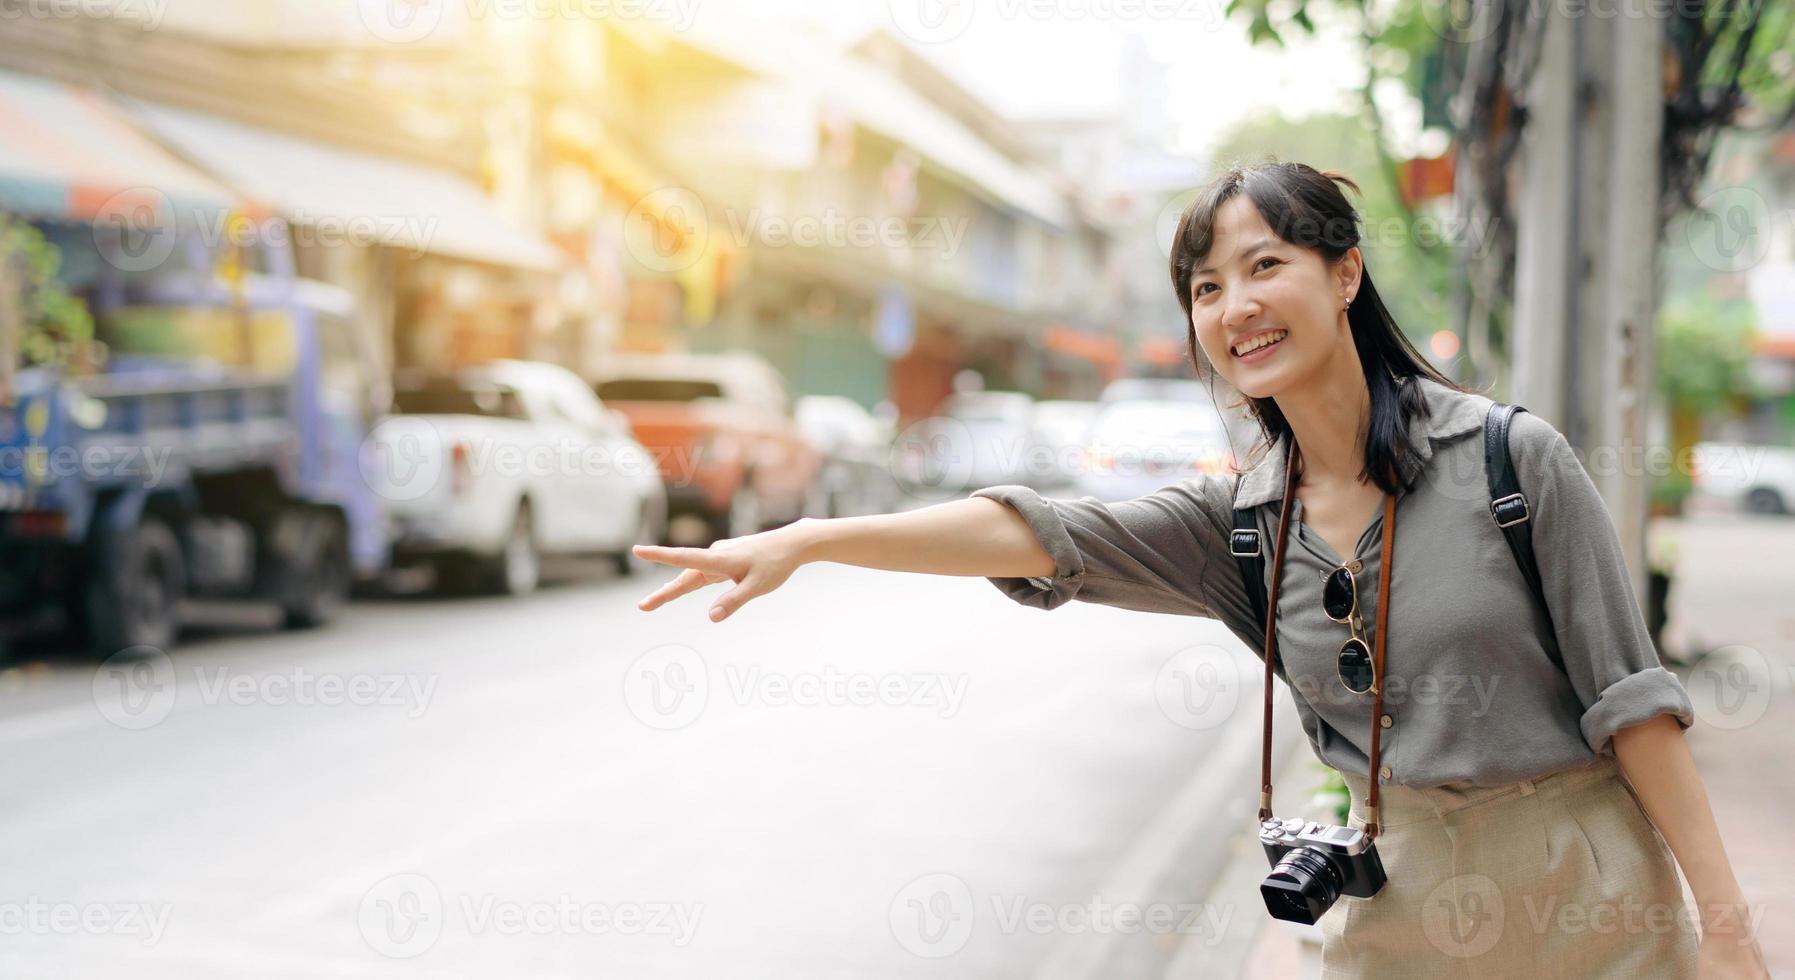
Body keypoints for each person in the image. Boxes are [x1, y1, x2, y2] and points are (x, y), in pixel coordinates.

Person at [632, 161, 1769, 979]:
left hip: (1591, 897)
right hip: (1404, 905)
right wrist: (809, 541)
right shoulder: (1240, 525)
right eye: (1206, 287)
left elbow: (1635, 707)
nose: (1234, 307)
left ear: (1343, 274)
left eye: (1262, 265)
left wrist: (1725, 925)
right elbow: (1036, 531)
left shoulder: (1515, 462)